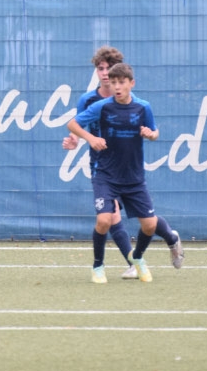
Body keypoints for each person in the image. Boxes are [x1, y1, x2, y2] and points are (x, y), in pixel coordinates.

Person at [67, 63, 182, 284]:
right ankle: (98, 266)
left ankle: (136, 258)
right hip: (105, 175)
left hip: (133, 177)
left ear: (132, 83)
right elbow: (72, 124)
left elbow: (155, 132)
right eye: (113, 83)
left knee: (149, 225)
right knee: (104, 220)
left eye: (121, 82)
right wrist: (91, 138)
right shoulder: (101, 106)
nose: (117, 87)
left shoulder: (143, 107)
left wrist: (151, 134)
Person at [62, 46, 137, 279]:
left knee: (146, 219)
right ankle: (132, 264)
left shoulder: (128, 98)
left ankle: (168, 239)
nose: (105, 73)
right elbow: (78, 126)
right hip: (102, 166)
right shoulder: (88, 100)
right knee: (111, 215)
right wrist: (75, 139)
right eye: (100, 68)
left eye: (109, 68)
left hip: (127, 166)